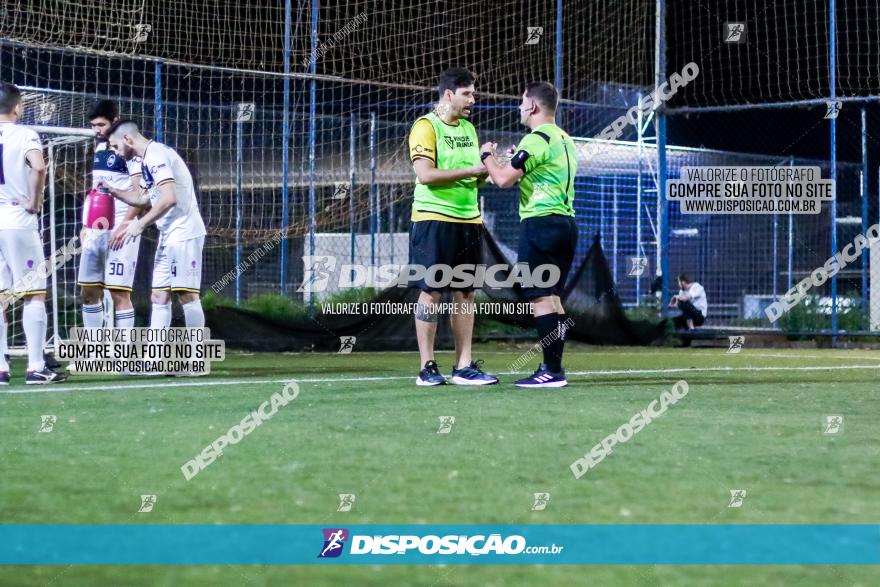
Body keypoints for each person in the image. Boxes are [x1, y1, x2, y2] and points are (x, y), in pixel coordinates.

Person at [480, 81, 578, 388]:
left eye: (522, 102)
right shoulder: (564, 138)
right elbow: (540, 172)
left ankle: (551, 372)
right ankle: (554, 368)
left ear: (533, 106)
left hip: (541, 224)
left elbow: (502, 180)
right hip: (565, 225)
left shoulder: (535, 139)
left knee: (539, 299)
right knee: (553, 299)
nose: (519, 107)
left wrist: (487, 156)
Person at [408, 67, 497, 386]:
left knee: (465, 293)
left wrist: (491, 166)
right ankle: (427, 367)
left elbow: (473, 176)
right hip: (433, 220)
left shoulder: (470, 130)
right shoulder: (425, 126)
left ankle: (464, 366)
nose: (473, 99)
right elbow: (426, 175)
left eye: (473, 93)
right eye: (467, 93)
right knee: (431, 292)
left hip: (469, 220)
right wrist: (474, 168)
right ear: (448, 94)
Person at [103, 120, 206, 330]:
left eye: (115, 146)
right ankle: (153, 361)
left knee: (187, 295)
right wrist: (114, 191)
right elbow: (143, 199)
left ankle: (197, 358)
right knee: (158, 297)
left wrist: (139, 224)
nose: (116, 152)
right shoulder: (145, 160)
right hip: (168, 234)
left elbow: (169, 198)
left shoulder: (156, 155)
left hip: (184, 232)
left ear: (127, 139)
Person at [0, 82, 66, 384]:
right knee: (34, 292)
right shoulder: (25, 134)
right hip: (18, 219)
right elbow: (39, 167)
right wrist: (35, 200)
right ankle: (36, 366)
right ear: (17, 107)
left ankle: (1, 368)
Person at [78, 100, 142, 329]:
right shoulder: (99, 147)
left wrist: (126, 224)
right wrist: (86, 224)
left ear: (115, 121)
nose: (96, 130)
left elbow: (140, 193)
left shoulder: (131, 148)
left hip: (121, 229)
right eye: (93, 125)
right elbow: (95, 189)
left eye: (101, 124)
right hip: (96, 228)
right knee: (88, 290)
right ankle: (93, 355)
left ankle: (123, 359)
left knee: (118, 293)